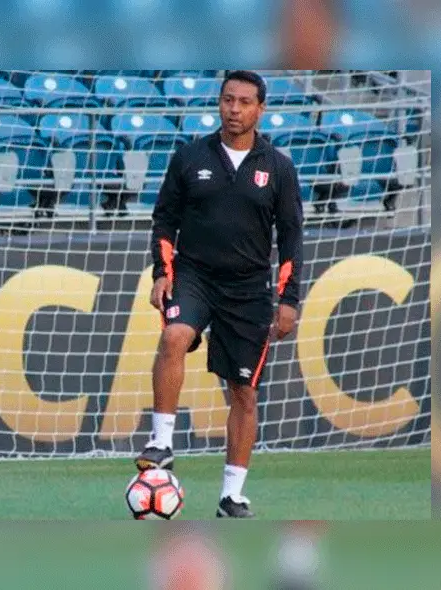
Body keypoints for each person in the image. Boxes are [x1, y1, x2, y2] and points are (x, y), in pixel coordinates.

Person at [134, 70, 304, 518]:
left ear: (260, 109)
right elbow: (164, 219)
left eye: (244, 102)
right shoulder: (190, 157)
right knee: (174, 337)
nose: (234, 109)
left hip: (248, 288)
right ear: (219, 103)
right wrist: (161, 273)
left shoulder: (279, 168)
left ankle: (233, 495)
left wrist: (289, 300)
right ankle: (162, 442)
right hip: (194, 275)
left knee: (243, 391)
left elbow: (291, 239)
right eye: (228, 99)